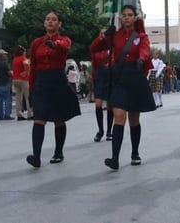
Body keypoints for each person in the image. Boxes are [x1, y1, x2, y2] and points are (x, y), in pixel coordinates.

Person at [90, 4, 155, 170]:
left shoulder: (141, 36)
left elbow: (145, 50)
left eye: (130, 15)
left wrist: (141, 59)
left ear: (135, 18)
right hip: (119, 78)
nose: (126, 17)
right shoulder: (115, 36)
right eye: (124, 15)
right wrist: (104, 36)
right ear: (120, 18)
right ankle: (115, 158)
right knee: (119, 116)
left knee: (134, 119)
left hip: (135, 76)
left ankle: (135, 153)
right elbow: (93, 48)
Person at [26, 11, 81, 168]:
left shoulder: (64, 40)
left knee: (59, 118)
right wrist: (31, 88)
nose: (50, 22)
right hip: (42, 82)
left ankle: (58, 151)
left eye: (54, 20)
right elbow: (34, 67)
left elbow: (65, 47)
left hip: (57, 80)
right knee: (39, 119)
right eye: (47, 19)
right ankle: (36, 156)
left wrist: (55, 45)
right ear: (44, 23)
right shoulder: (37, 43)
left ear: (59, 24)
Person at [90, 36, 114, 142]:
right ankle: (100, 130)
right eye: (102, 34)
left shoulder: (113, 48)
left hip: (111, 75)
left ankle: (109, 131)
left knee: (110, 104)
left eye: (106, 34)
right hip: (99, 76)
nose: (104, 36)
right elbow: (94, 66)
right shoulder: (96, 50)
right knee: (98, 103)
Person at [12, 45, 31, 120]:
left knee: (18, 98)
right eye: (25, 51)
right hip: (23, 79)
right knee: (27, 97)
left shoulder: (14, 59)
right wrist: (26, 71)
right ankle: (30, 114)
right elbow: (26, 64)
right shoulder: (23, 58)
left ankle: (19, 114)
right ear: (23, 52)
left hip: (15, 79)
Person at [0, 49, 12, 120]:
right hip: (5, 83)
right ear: (1, 56)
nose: (5, 56)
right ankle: (7, 115)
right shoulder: (5, 64)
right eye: (4, 54)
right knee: (7, 99)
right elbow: (9, 73)